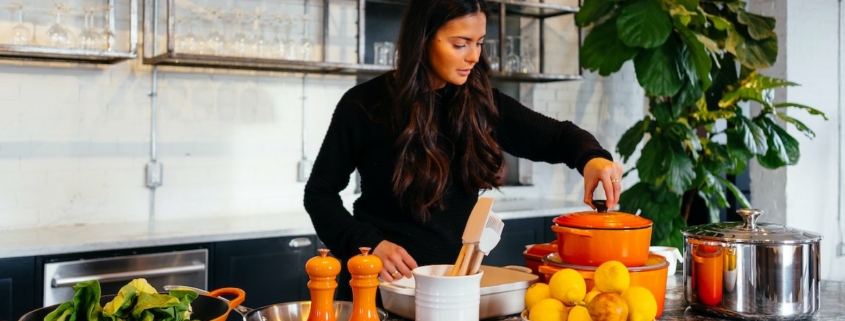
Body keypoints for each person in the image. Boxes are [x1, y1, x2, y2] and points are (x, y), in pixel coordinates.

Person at [303, 0, 624, 284]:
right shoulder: (364, 105)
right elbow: (319, 194)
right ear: (423, 39)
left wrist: (591, 158)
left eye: (479, 43)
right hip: (377, 288)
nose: (473, 57)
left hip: (453, 289)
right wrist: (370, 244)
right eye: (460, 44)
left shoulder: (481, 104)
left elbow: (558, 137)